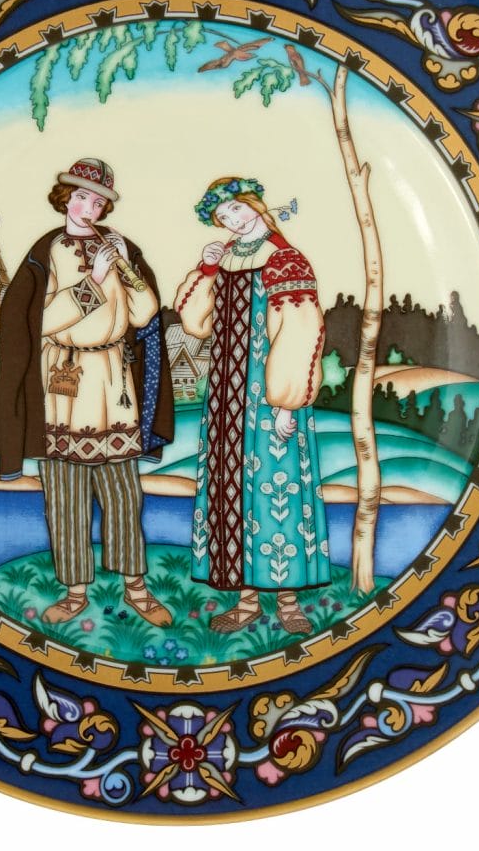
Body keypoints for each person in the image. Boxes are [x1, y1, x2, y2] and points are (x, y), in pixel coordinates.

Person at [0, 158, 174, 626]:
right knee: (65, 494)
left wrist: (126, 268)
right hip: (61, 380)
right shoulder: (46, 252)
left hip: (113, 379)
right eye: (82, 197)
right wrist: (93, 283)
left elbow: (146, 314)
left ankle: (136, 587)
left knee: (123, 492)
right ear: (65, 199)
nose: (90, 207)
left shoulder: (120, 247)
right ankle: (74, 592)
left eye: (99, 201)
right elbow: (37, 322)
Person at [174, 176, 329, 634]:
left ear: (256, 206)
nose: (232, 221)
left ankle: (288, 602)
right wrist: (206, 270)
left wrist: (287, 403)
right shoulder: (225, 259)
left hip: (267, 397)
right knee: (230, 492)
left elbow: (300, 332)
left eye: (236, 210)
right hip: (225, 397)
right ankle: (245, 600)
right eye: (223, 217)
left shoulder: (285, 260)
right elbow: (195, 323)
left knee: (275, 491)